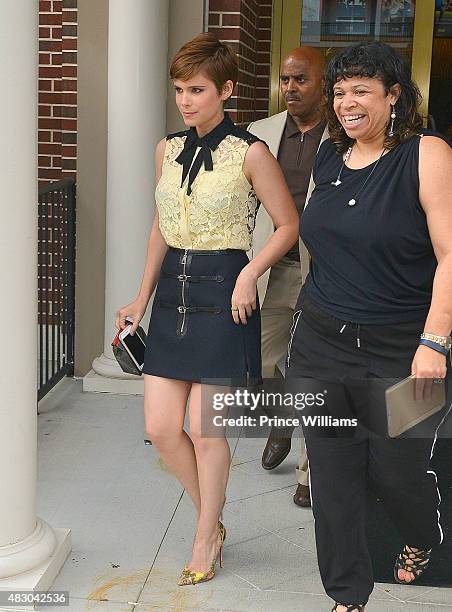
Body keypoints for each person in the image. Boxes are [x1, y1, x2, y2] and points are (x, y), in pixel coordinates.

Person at [115, 33, 298, 587]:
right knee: (162, 427)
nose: (186, 101)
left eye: (197, 89)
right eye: (178, 90)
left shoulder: (251, 152)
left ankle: (203, 537)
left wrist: (249, 274)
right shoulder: (166, 148)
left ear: (226, 89)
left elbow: (289, 225)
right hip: (172, 297)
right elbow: (161, 226)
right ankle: (211, 519)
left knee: (206, 428)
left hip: (226, 297)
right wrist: (140, 297)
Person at [286, 41, 452, 611]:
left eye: (361, 90)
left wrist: (435, 341)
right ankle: (348, 595)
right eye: (339, 92)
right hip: (321, 345)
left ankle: (420, 536)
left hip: (403, 349)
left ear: (394, 95)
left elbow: (450, 252)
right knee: (332, 476)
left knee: (398, 466)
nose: (346, 103)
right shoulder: (331, 157)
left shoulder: (425, 153)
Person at [248, 46, 328, 508]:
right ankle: (283, 415)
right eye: (286, 79)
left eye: (301, 79)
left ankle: (308, 472)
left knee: (316, 370)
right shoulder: (261, 133)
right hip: (274, 268)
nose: (291, 88)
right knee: (263, 362)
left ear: (322, 83)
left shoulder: (343, 135)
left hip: (326, 272)